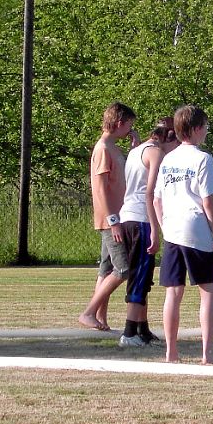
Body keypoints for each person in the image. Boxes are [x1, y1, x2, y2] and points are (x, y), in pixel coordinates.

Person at [153, 105, 213, 364]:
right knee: (207, 291)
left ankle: (171, 352)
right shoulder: (202, 159)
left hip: (172, 230)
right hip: (196, 230)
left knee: (173, 293)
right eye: (205, 127)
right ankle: (207, 353)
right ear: (195, 129)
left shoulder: (168, 159)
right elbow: (208, 202)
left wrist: (164, 228)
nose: (206, 131)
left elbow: (157, 200)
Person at [116, 116, 180, 347]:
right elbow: (150, 193)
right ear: (170, 137)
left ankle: (142, 329)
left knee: (142, 277)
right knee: (140, 277)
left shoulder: (137, 150)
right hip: (142, 219)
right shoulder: (156, 153)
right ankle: (129, 332)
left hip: (127, 216)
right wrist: (156, 228)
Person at [78, 102, 138, 331]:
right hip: (110, 220)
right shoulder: (103, 148)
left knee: (106, 269)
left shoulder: (113, 147)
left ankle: (101, 319)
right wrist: (113, 221)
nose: (130, 130)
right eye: (129, 126)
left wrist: (135, 147)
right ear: (120, 123)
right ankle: (89, 312)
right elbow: (100, 188)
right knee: (122, 269)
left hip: (117, 217)